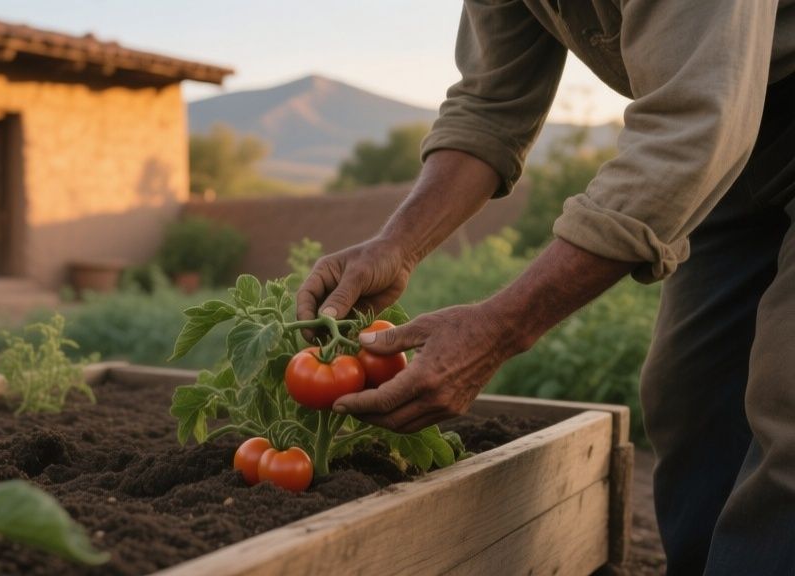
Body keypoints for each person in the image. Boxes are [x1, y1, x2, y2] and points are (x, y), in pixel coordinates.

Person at [297, 2, 795, 574]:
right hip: (731, 141)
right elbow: (490, 105)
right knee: (690, 399)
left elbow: (690, 128)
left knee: (789, 407)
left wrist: (500, 328)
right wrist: (397, 244)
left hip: (713, 125)